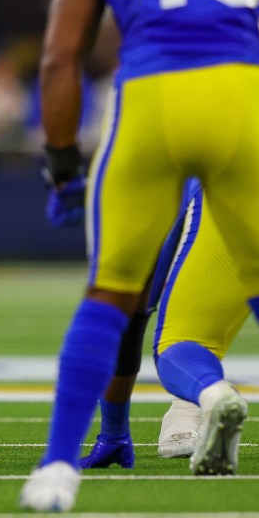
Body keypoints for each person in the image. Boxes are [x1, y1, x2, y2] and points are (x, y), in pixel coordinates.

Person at [20, 0, 259, 511]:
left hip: (151, 103)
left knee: (110, 294)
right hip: (241, 99)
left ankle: (56, 471)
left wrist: (62, 163)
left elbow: (59, 56)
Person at [72, 179, 250, 471]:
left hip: (226, 197)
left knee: (179, 347)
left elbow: (128, 314)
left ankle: (210, 395)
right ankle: (187, 408)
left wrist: (113, 433)